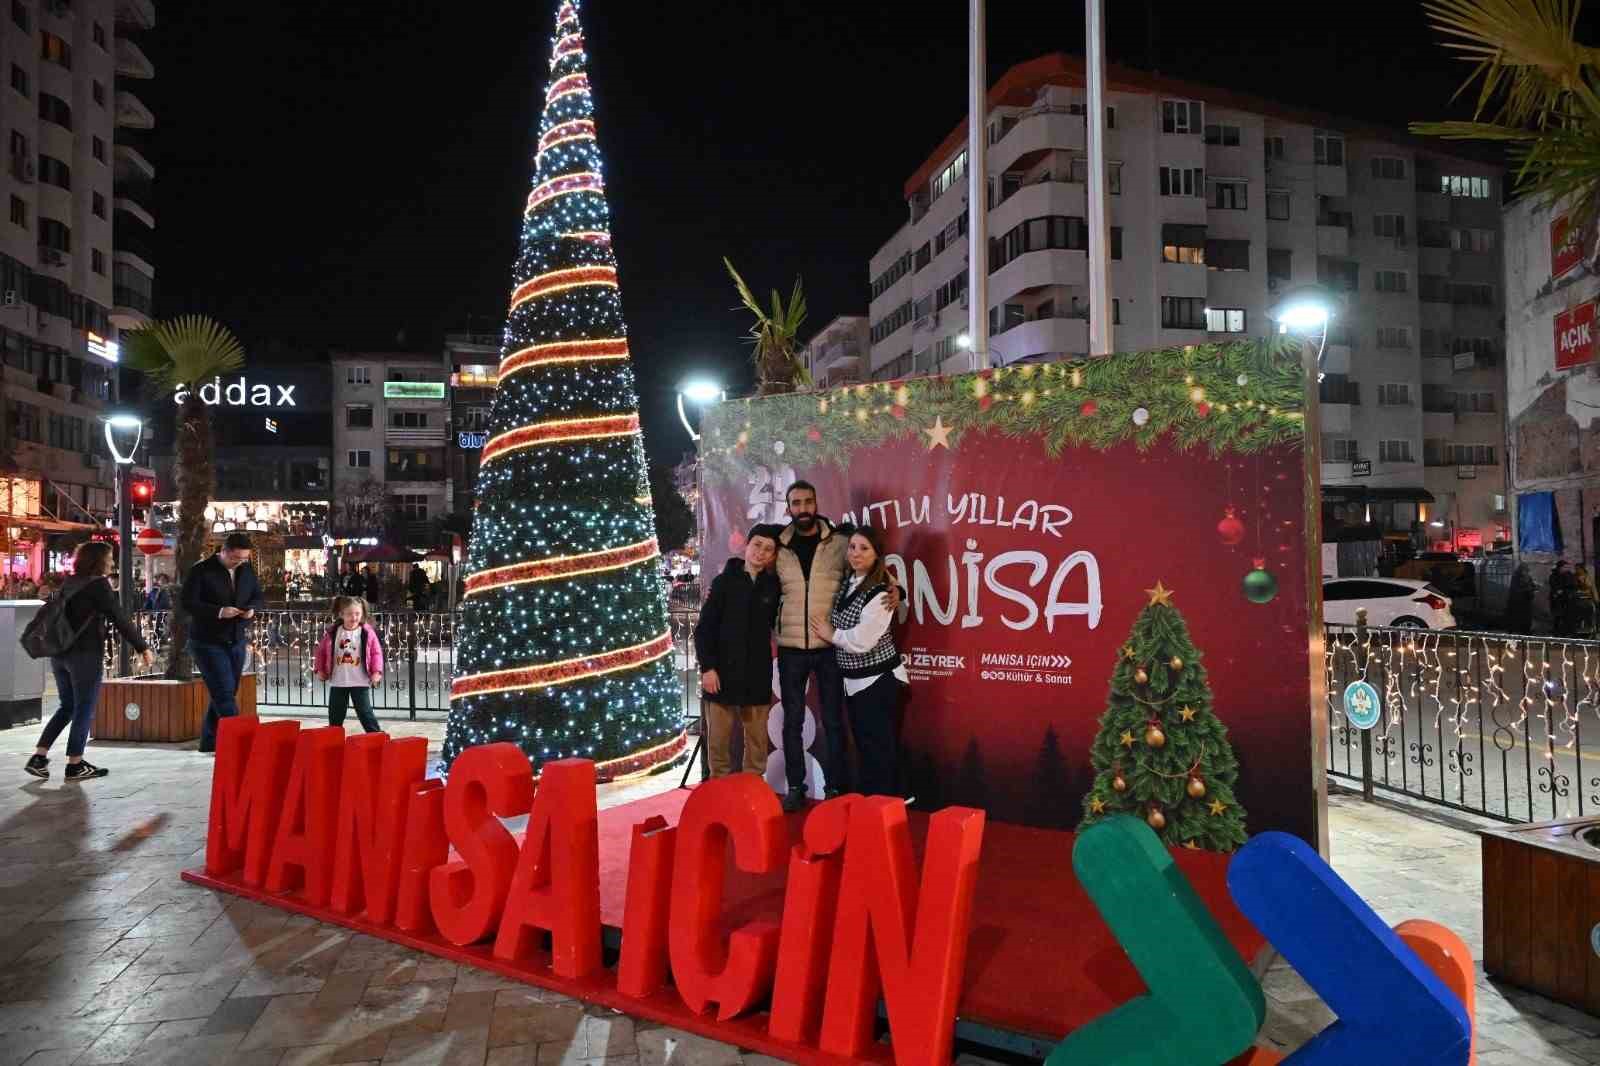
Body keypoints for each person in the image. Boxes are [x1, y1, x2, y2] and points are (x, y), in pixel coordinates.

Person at [24, 541, 153, 780]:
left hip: (60, 654)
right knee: (84, 707)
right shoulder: (98, 585)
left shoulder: (70, 582)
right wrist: (142, 646)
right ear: (99, 561)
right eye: (109, 559)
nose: (112, 563)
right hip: (84, 655)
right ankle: (75, 763)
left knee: (68, 706)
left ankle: (39, 756)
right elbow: (118, 617)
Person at [773, 480, 853, 812]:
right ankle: (795, 787)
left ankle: (836, 788)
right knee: (792, 721)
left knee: (834, 720)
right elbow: (753, 571)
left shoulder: (841, 543)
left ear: (816, 503)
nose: (802, 508)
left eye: (808, 502)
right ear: (788, 507)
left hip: (829, 646)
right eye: (796, 503)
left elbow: (869, 569)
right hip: (790, 648)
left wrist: (896, 591)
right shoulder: (778, 546)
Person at [811, 526, 908, 798]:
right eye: (852, 547)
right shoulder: (850, 582)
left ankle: (886, 808)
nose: (855, 553)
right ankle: (873, 809)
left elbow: (863, 640)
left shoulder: (880, 593)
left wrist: (832, 635)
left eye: (864, 548)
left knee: (880, 749)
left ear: (877, 554)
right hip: (855, 683)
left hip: (878, 682)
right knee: (867, 748)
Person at [693, 525, 781, 778]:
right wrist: (707, 668)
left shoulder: (773, 586)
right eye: (757, 545)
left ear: (773, 555)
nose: (761, 552)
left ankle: (752, 795)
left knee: (756, 745)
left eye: (768, 549)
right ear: (747, 546)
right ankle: (720, 797)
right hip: (721, 675)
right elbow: (704, 629)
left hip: (757, 676)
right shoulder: (724, 582)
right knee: (718, 745)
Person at [183, 532, 265, 753]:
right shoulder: (201, 571)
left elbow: (257, 595)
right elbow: (188, 603)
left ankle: (209, 741)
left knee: (226, 690)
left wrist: (251, 609)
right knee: (224, 693)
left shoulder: (246, 569)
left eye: (243, 559)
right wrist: (219, 612)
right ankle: (242, 744)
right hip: (207, 640)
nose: (239, 563)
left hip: (236, 638)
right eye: (235, 558)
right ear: (224, 551)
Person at [313, 595, 385, 733]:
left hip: (360, 681)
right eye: (350, 614)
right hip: (338, 681)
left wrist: (377, 672)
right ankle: (332, 740)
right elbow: (321, 652)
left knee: (365, 713)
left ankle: (377, 738)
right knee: (335, 715)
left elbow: (376, 653)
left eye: (357, 614)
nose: (354, 617)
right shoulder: (333, 632)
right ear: (341, 614)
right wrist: (319, 669)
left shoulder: (366, 632)